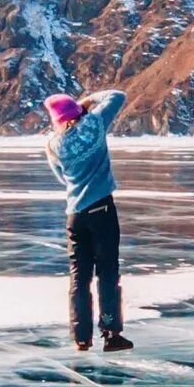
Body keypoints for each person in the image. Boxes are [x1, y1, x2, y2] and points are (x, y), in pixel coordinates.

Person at [43, 90, 134, 353]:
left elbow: (62, 178)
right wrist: (88, 101)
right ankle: (110, 333)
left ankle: (81, 337)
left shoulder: (52, 145)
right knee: (107, 273)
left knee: (78, 277)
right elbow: (117, 96)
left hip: (75, 215)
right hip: (102, 210)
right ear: (75, 111)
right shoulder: (93, 124)